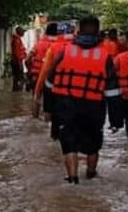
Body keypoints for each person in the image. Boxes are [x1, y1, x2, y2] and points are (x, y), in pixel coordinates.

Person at [33, 16, 123, 183]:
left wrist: (48, 109)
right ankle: (90, 174)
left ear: (78, 31)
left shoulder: (64, 52)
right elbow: (113, 92)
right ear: (98, 33)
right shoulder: (104, 57)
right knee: (93, 146)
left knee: (69, 145)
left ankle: (72, 179)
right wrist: (116, 120)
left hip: (65, 106)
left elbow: (48, 83)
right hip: (93, 108)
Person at [26, 22, 58, 92]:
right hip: (53, 79)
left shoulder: (39, 44)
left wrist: (29, 72)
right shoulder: (60, 46)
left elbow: (27, 59)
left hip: (37, 76)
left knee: (36, 100)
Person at [10, 27, 27, 92]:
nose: (24, 33)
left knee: (17, 77)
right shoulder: (17, 40)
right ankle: (18, 90)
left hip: (16, 61)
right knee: (20, 77)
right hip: (17, 62)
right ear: (19, 32)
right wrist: (20, 63)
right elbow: (16, 53)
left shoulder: (17, 39)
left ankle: (16, 90)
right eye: (23, 31)